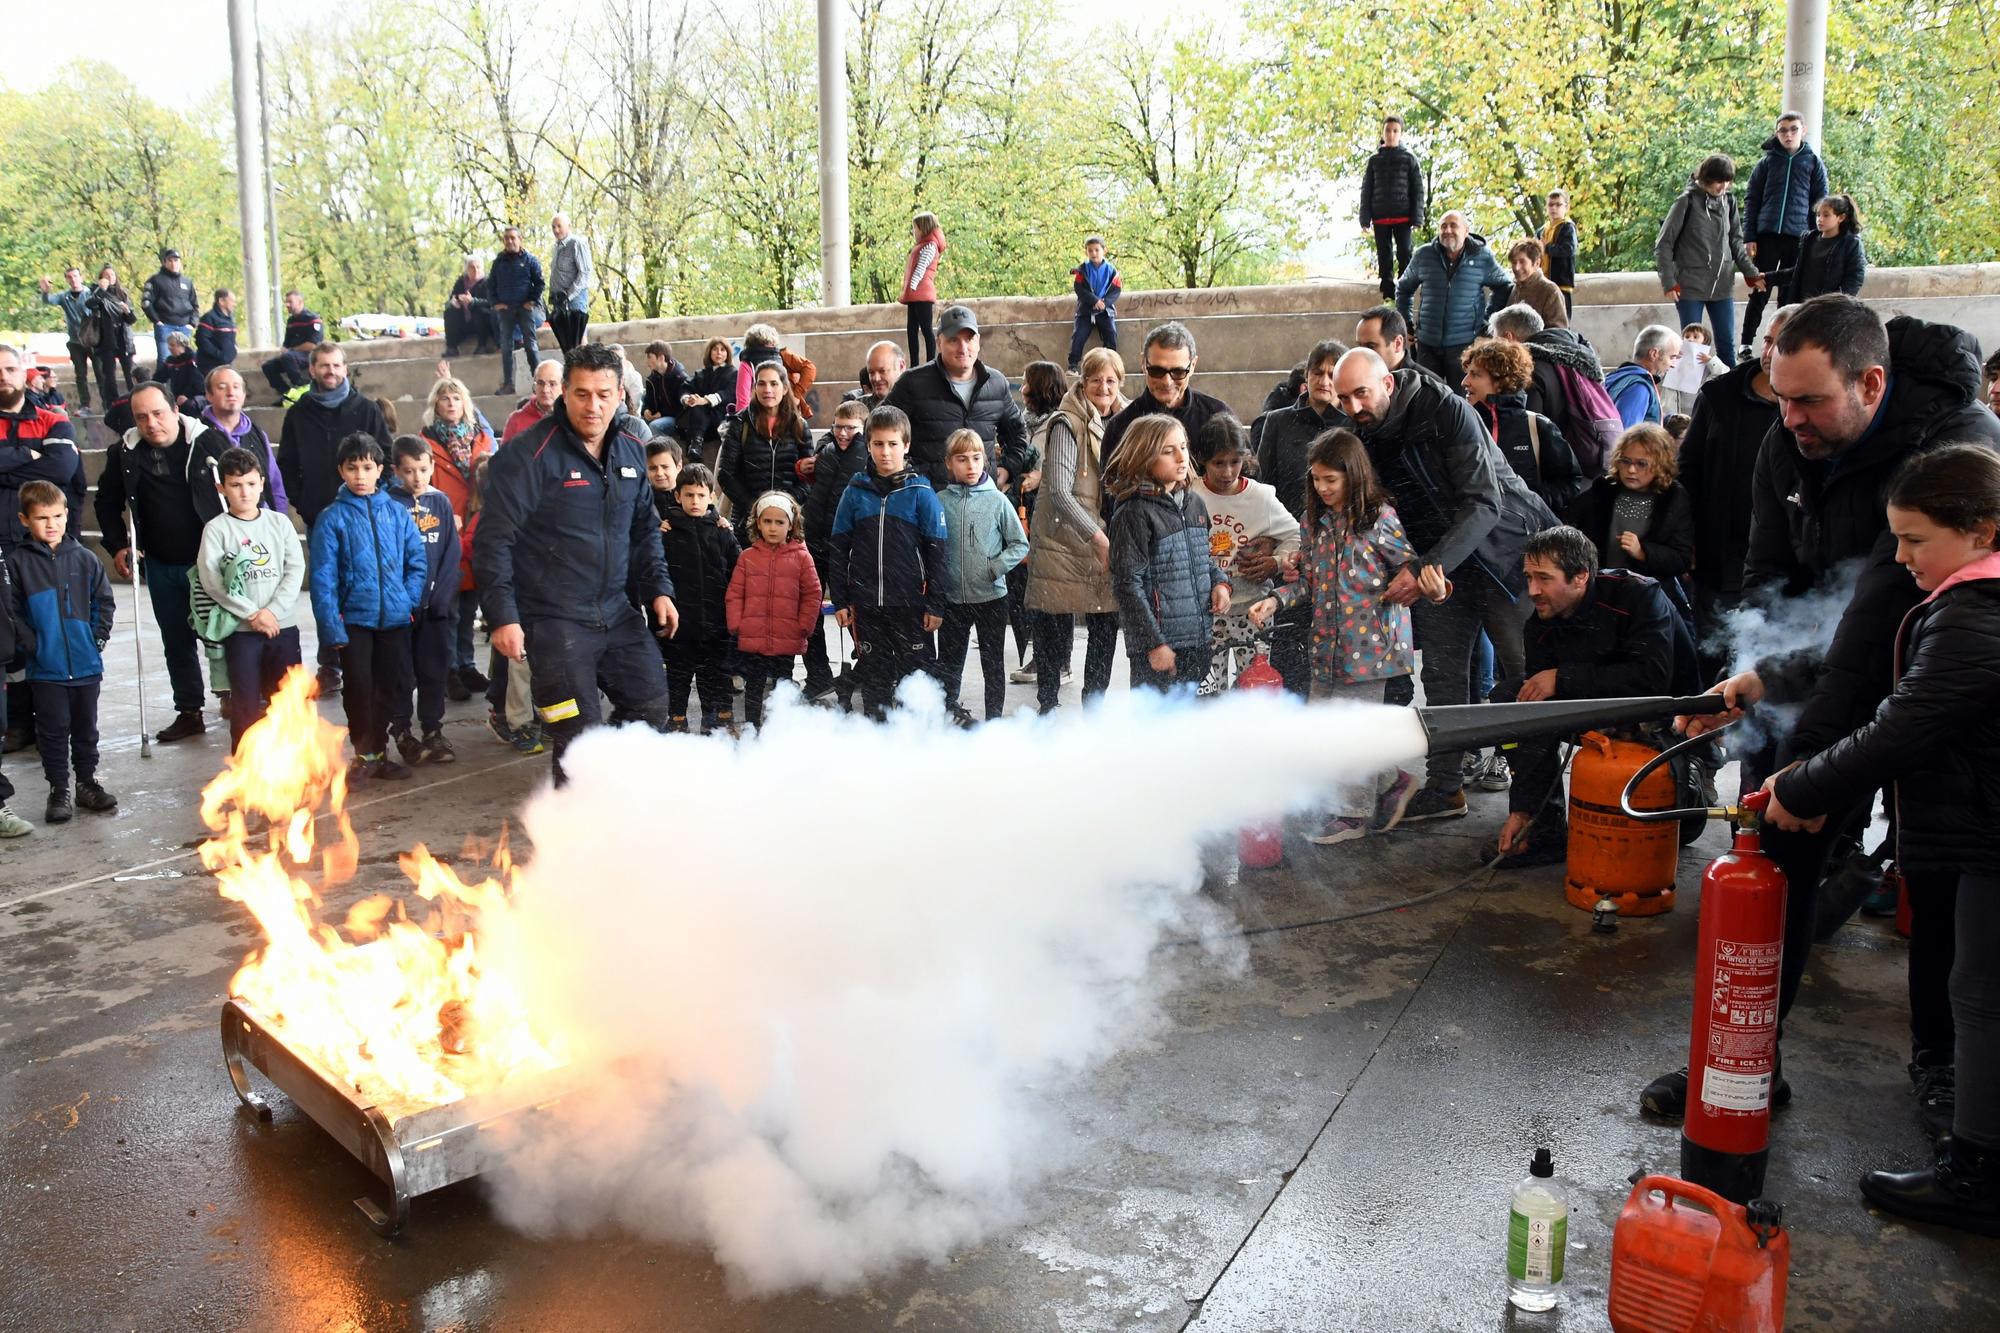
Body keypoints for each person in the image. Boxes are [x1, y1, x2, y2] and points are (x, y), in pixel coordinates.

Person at [1650, 295, 2000, 1122]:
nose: (1791, 419)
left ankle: (1944, 1072)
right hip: (1823, 669)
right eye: (1780, 396)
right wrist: (1743, 686)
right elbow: (1765, 577)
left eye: (1809, 401)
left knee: (1939, 875)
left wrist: (1805, 766)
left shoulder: (1950, 445)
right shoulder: (1788, 441)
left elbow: (1879, 617)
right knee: (1778, 855)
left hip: (1941, 685)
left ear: (1871, 383)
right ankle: (1749, 1059)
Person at [1763, 445, 2000, 1234]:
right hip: (1978, 831)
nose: (1900, 558)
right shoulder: (1965, 601)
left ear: (1982, 529)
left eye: (1916, 539)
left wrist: (1800, 784)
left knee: (1980, 994)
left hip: (1990, 837)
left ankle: (1977, 1175)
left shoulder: (1975, 613)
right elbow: (1863, 665)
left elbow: (1900, 726)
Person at [1333, 346, 1559, 820]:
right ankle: (1446, 788)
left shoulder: (1446, 410)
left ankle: (1540, 808)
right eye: (1343, 400)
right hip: (1441, 566)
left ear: (1388, 384)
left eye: (1361, 394)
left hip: (1506, 556)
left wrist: (1425, 568)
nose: (1354, 408)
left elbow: (1483, 503)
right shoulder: (1363, 430)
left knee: (1522, 682)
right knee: (1441, 677)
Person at [475, 342, 679, 774]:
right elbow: (493, 541)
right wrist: (503, 616)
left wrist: (660, 588)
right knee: (576, 736)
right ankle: (572, 830)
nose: (594, 406)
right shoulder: (528, 455)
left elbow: (644, 527)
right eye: (582, 394)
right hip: (552, 621)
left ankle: (617, 795)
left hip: (615, 610)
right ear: (563, 392)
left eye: (604, 394)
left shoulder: (629, 448)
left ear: (620, 393)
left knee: (652, 705)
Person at [1246, 428, 1424, 843]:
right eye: (1317, 479)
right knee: (1326, 726)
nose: (1323, 488)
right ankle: (1392, 780)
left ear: (1353, 475)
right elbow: (1307, 580)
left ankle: (1352, 816)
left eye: (1332, 479)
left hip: (1371, 649)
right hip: (1326, 644)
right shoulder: (1314, 523)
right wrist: (1274, 600)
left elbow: (1410, 567)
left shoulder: (1379, 517)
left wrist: (1412, 583)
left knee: (1351, 730)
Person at [1490, 525, 1694, 868]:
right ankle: (1543, 826)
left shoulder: (1640, 596)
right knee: (1514, 701)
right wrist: (1522, 808)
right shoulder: (1540, 623)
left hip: (1664, 717)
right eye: (1528, 577)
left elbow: (1653, 679)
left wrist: (1563, 677)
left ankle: (1698, 775)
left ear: (1581, 576)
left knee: (1678, 829)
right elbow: (1533, 725)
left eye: (1543, 578)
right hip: (1593, 707)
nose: (1532, 590)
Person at [97, 382, 237, 743]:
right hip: (160, 562)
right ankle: (189, 710)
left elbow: (240, 486)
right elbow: (106, 503)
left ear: (175, 410)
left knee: (225, 634)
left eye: (158, 413)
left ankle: (236, 697)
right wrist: (117, 546)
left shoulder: (207, 442)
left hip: (210, 561)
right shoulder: (124, 454)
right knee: (175, 639)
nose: (151, 423)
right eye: (141, 417)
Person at [1678, 307, 1793, 680]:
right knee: (1710, 656)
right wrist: (1686, 539)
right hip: (1720, 555)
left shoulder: (1811, 404)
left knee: (1765, 663)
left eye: (1783, 343)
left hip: (1782, 561)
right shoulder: (1719, 395)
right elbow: (1687, 472)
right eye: (1768, 340)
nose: (1770, 351)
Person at [309, 435, 426, 780]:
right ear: (341, 471)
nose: (360, 475)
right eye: (352, 468)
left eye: (367, 467)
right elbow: (323, 578)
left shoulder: (396, 513)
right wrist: (332, 627)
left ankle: (381, 752)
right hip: (355, 621)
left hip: (394, 619)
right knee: (359, 689)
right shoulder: (332, 519)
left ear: (380, 471)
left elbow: (416, 561)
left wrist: (407, 599)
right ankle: (365, 755)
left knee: (388, 688)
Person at [277, 343, 392, 695]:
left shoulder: (367, 410)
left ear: (346, 368)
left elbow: (385, 455)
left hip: (364, 517)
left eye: (336, 365)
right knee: (327, 589)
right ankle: (330, 664)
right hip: (320, 519)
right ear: (312, 370)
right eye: (324, 365)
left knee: (364, 586)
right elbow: (287, 465)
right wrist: (304, 503)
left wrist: (372, 499)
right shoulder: (298, 414)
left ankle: (371, 658)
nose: (331, 371)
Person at [828, 405, 948, 719]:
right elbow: (839, 548)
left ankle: (916, 744)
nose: (885, 452)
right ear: (867, 444)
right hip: (866, 605)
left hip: (911, 606)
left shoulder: (921, 492)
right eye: (878, 444)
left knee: (916, 680)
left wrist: (935, 604)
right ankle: (877, 741)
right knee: (874, 679)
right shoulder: (854, 492)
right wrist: (840, 599)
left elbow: (937, 553)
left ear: (906, 445)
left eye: (893, 444)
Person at [1024, 347, 1127, 713]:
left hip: (1102, 532)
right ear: (1083, 382)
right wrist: (1097, 536)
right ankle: (1048, 706)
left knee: (1104, 624)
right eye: (1096, 379)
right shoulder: (1067, 423)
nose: (1104, 386)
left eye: (1111, 380)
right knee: (1052, 625)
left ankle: (1094, 710)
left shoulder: (1123, 420)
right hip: (1065, 540)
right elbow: (1058, 491)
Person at [7, 480, 116, 823]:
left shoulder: (85, 559)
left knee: (86, 729)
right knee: (52, 732)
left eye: (57, 515)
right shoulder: (17, 564)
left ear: (68, 514)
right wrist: (35, 647)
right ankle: (59, 790)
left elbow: (104, 603)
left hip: (86, 666)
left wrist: (95, 640)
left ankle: (86, 783)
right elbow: (13, 614)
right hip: (46, 669)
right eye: (42, 518)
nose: (51, 524)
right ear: (25, 520)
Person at [1105, 415, 1228, 693]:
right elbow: (1127, 586)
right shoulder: (1133, 512)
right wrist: (1154, 644)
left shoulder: (1194, 502)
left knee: (1194, 726)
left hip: (1197, 640)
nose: (1181, 457)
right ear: (1144, 457)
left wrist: (1220, 582)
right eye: (1167, 451)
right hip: (1159, 649)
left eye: (1183, 447)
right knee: (1157, 730)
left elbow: (1201, 559)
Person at [197, 447, 305, 749]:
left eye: (250, 483)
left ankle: (292, 769)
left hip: (282, 627)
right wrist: (253, 615)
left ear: (261, 483)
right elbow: (213, 581)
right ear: (222, 488)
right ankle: (247, 773)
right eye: (235, 485)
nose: (244, 492)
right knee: (245, 706)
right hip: (243, 633)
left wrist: (272, 611)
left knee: (287, 702)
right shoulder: (216, 529)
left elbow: (295, 569)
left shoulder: (279, 524)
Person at [1194, 415, 1298, 693]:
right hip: (1205, 612)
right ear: (1202, 459)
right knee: (1207, 690)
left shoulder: (1261, 498)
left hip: (1253, 609)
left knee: (1253, 689)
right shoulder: (1191, 495)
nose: (1228, 472)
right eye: (1219, 463)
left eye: (1235, 462)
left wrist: (1274, 562)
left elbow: (1296, 535)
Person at [882, 305, 1031, 491]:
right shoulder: (913, 383)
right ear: (939, 343)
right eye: (953, 340)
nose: (963, 348)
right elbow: (879, 427)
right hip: (929, 501)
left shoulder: (996, 383)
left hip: (981, 499)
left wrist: (1008, 468)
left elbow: (1017, 433)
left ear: (978, 341)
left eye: (969, 339)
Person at [937, 429, 1029, 723]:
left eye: (977, 458)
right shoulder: (939, 501)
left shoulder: (998, 501)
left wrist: (994, 568)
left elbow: (1020, 544)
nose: (971, 465)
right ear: (949, 463)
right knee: (950, 662)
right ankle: (950, 712)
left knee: (992, 663)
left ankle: (994, 720)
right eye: (962, 459)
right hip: (952, 598)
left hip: (991, 597)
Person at [1563, 423, 1695, 621]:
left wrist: (1643, 552)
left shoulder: (1673, 498)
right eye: (1625, 461)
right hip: (1601, 597)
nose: (1631, 470)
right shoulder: (1603, 490)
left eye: (1642, 464)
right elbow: (1569, 525)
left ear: (1660, 464)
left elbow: (1681, 558)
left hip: (1648, 602)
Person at [383, 437, 458, 766]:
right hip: (401, 609)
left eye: (423, 470)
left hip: (435, 607)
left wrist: (441, 596)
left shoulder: (440, 502)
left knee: (433, 670)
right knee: (400, 671)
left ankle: (432, 729)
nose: (417, 477)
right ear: (396, 470)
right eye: (410, 471)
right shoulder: (388, 503)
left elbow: (451, 554)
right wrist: (399, 599)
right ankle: (401, 730)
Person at [420, 377, 495, 700]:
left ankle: (466, 664)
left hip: (479, 531)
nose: (451, 403)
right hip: (445, 533)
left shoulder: (482, 439)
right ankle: (449, 669)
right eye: (444, 398)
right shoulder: (427, 444)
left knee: (469, 608)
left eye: (456, 398)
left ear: (466, 403)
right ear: (435, 405)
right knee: (447, 610)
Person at [1655, 154, 1763, 367]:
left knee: (1726, 344)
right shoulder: (1685, 201)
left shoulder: (1729, 201)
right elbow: (1663, 244)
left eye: (1727, 181)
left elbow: (1735, 241)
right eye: (1719, 181)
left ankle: (1728, 395)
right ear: (1706, 178)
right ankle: (1691, 397)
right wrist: (1669, 281)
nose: (1724, 186)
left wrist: (1751, 273)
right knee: (1692, 346)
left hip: (1722, 283)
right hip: (1690, 284)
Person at [655, 463, 739, 735]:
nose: (695, 501)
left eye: (701, 495)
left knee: (715, 673)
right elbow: (657, 572)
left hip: (717, 620)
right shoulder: (666, 534)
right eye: (689, 495)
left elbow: (738, 568)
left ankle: (713, 718)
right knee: (678, 674)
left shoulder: (721, 531)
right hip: (680, 623)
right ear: (677, 496)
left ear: (712, 496)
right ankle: (677, 719)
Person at [727, 492, 820, 731]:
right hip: (753, 635)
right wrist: (737, 624)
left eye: (780, 522)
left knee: (783, 685)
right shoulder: (747, 558)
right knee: (754, 684)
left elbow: (812, 594)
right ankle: (751, 727)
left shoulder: (802, 557)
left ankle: (781, 728)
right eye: (767, 521)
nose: (773, 527)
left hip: (787, 634)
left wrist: (804, 625)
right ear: (758, 523)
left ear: (791, 525)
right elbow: (735, 593)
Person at [1460, 338, 1586, 514]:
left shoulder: (1538, 426)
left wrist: (1530, 502)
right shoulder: (1462, 424)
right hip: (1474, 531)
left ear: (1501, 380)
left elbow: (1569, 484)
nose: (1465, 382)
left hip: (1526, 534)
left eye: (1475, 374)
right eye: (1467, 373)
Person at [1741, 111, 1830, 356]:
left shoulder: (1813, 163)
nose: (1788, 134)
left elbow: (1820, 202)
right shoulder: (1767, 162)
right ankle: (1746, 343)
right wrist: (1750, 236)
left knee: (1789, 292)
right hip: (1767, 234)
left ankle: (1784, 343)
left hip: (1798, 237)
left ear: (1804, 130)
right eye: (1783, 130)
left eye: (1793, 129)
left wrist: (1816, 238)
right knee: (1760, 287)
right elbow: (1752, 199)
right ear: (1777, 133)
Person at [1395, 211, 1512, 391]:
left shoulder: (1482, 256)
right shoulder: (1424, 255)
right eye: (1443, 226)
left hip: (1464, 345)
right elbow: (1403, 288)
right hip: (1427, 344)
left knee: (1462, 398)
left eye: (1453, 225)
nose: (1447, 230)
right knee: (1425, 395)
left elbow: (1503, 286)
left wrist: (1488, 322)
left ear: (1466, 231)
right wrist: (1406, 323)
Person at [802, 400, 869, 702]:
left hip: (847, 546)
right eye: (838, 427)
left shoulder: (867, 455)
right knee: (810, 610)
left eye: (851, 428)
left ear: (863, 429)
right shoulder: (826, 452)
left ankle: (867, 667)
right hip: (815, 539)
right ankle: (818, 674)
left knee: (854, 611)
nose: (843, 433)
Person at [1102, 321, 1229, 464]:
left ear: (1192, 366)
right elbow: (1109, 484)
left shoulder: (1217, 415)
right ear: (1143, 364)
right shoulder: (1120, 426)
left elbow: (1246, 478)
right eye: (1157, 371)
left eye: (1178, 372)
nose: (1167, 381)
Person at [1254, 338, 1351, 519]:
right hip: (1287, 524)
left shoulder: (1354, 425)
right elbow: (1264, 482)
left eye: (1332, 375)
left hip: (1342, 527)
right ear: (1306, 374)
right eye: (1317, 372)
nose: (1324, 381)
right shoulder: (1277, 420)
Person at [717, 359, 812, 539]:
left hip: (787, 519)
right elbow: (726, 474)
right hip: (748, 519)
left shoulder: (799, 425)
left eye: (774, 383)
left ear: (784, 389)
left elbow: (809, 476)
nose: (767, 389)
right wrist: (755, 505)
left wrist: (785, 503)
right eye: (761, 383)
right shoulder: (739, 423)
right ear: (755, 388)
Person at [1359, 115, 1426, 301]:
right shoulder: (1374, 160)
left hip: (1403, 216)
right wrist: (1364, 219)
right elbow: (1366, 189)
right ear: (1383, 132)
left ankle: (1404, 287)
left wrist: (1417, 217)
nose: (1391, 134)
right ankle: (1387, 290)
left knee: (1405, 251)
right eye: (1388, 130)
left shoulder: (1409, 159)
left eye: (1395, 130)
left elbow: (1418, 190)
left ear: (1401, 133)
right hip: (1380, 216)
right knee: (1384, 253)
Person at [1768, 193, 1867, 306]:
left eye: (1826, 215)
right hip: (1802, 306)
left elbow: (1855, 278)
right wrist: (1768, 278)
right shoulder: (1809, 239)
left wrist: (1836, 303)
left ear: (1841, 217)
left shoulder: (1851, 243)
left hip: (1830, 308)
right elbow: (1798, 272)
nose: (1820, 219)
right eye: (1818, 215)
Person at [489, 226, 546, 395]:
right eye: (506, 238)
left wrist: (532, 301)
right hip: (506, 310)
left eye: (513, 238)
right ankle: (508, 384)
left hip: (525, 309)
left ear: (520, 239)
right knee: (506, 347)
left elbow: (540, 283)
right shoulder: (498, 262)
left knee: (531, 346)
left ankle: (539, 384)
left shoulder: (530, 260)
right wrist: (496, 303)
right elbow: (491, 285)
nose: (510, 241)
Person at [1604, 325, 1681, 428]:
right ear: (1654, 354)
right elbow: (1627, 437)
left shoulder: (1616, 377)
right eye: (1672, 357)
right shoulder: (1638, 388)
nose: (1673, 364)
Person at [38, 270, 95, 409]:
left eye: (75, 276)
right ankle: (85, 405)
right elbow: (48, 300)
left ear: (81, 277)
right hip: (75, 341)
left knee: (101, 373)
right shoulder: (65, 297)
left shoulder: (91, 294)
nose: (73, 279)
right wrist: (45, 291)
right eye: (69, 277)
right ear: (67, 280)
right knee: (80, 376)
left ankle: (108, 403)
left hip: (93, 340)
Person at [83, 266, 138, 406]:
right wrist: (100, 290)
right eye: (106, 275)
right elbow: (89, 304)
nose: (109, 277)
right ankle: (112, 404)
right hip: (106, 338)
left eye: (112, 275)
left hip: (123, 337)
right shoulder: (96, 292)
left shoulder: (122, 294)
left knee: (130, 372)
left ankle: (136, 400)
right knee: (109, 375)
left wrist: (127, 312)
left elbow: (131, 320)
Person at [675, 337, 737, 456]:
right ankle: (695, 444)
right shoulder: (701, 373)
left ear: (728, 353)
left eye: (723, 349)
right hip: (699, 417)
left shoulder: (734, 373)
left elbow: (728, 393)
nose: (719, 352)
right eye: (715, 349)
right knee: (696, 407)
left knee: (699, 407)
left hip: (720, 416)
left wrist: (705, 400)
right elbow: (685, 387)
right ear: (709, 352)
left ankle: (696, 443)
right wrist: (688, 399)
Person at [1068, 236, 1121, 370]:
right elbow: (1079, 289)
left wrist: (1105, 302)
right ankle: (1073, 366)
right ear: (1086, 252)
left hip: (1105, 310)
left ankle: (1111, 366)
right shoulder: (1082, 270)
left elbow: (1116, 290)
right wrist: (1094, 300)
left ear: (1104, 250)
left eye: (1097, 250)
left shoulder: (1112, 271)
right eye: (1090, 251)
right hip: (1086, 310)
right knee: (1078, 336)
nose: (1094, 253)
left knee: (1111, 335)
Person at [261, 291, 324, 400]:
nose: (287, 305)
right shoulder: (291, 321)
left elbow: (314, 345)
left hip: (308, 355)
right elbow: (287, 343)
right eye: (286, 302)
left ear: (300, 302)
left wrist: (291, 350)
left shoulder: (313, 319)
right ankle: (288, 394)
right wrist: (285, 349)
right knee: (268, 366)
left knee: (287, 356)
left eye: (290, 302)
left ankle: (303, 386)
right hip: (291, 356)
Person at [142, 248, 199, 369]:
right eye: (170, 260)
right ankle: (162, 387)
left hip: (184, 327)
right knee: (165, 360)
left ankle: (183, 387)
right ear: (164, 262)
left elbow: (194, 305)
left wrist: (192, 323)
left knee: (186, 361)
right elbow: (146, 303)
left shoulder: (187, 282)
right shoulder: (155, 280)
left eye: (176, 260)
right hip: (165, 326)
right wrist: (157, 321)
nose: (173, 263)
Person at [901, 212, 945, 364]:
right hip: (914, 295)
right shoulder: (921, 246)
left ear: (923, 228)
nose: (914, 232)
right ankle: (914, 363)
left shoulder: (930, 246)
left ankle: (931, 361)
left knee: (926, 329)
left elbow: (921, 267)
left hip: (921, 293)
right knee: (911, 330)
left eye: (915, 228)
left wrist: (912, 285)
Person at [547, 214, 594, 352]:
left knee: (579, 338)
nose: (556, 230)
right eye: (553, 227)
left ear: (569, 226)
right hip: (559, 300)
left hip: (575, 298)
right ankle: (571, 370)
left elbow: (584, 273)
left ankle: (584, 369)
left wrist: (568, 296)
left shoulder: (577, 243)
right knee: (565, 340)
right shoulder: (556, 247)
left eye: (559, 226)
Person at [1353, 305, 1437, 382]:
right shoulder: (1358, 379)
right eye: (1360, 346)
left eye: (1371, 347)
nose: (1362, 354)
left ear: (1397, 344)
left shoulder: (1430, 389)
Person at [1664, 322, 1726, 418]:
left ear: (1705, 341)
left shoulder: (1707, 362)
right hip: (1675, 409)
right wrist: (1671, 357)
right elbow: (1662, 373)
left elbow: (1724, 373)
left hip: (1697, 409)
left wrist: (1711, 361)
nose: (1690, 339)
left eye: (1695, 337)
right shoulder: (1675, 357)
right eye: (1687, 336)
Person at [1505, 239, 1568, 330]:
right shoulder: (1516, 287)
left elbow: (1558, 332)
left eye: (1522, 262)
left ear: (1537, 263)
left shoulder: (1550, 290)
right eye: (1514, 262)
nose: (1516, 268)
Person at [1539, 190, 1579, 317]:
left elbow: (1569, 249)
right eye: (1550, 205)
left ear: (1566, 207)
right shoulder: (1542, 230)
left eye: (1558, 205)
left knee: (1561, 317)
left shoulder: (1567, 227)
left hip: (1561, 282)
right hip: (1543, 281)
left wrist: (1547, 248)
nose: (1554, 208)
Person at [443, 257, 494, 357]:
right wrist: (454, 302)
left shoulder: (488, 282)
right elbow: (452, 298)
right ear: (467, 269)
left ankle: (482, 345)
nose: (476, 270)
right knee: (449, 311)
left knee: (477, 309)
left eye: (478, 267)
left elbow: (491, 302)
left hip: (483, 322)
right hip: (464, 321)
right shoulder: (460, 282)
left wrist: (473, 301)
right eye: (472, 268)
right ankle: (451, 347)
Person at [640, 341, 692, 438]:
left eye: (649, 357)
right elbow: (648, 399)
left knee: (655, 426)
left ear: (661, 358)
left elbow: (683, 408)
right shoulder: (652, 379)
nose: (647, 362)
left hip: (676, 418)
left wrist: (662, 413)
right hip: (657, 415)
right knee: (638, 423)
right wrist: (646, 410)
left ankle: (653, 452)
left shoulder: (680, 378)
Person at [503, 361, 564, 442]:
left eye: (552, 384)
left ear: (564, 387)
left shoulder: (574, 418)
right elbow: (506, 454)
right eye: (540, 383)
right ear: (534, 387)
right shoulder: (516, 420)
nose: (545, 390)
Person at [843, 340, 905, 411]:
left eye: (882, 371)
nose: (876, 378)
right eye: (871, 372)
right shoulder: (861, 407)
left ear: (901, 366)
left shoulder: (917, 404)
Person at [195, 289, 237, 374]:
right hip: (210, 366)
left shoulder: (230, 319)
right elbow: (202, 340)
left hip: (227, 364)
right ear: (221, 301)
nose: (234, 304)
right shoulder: (209, 318)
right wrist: (219, 355)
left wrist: (234, 349)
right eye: (231, 301)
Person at [159, 331, 204, 407]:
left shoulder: (192, 358)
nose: (169, 348)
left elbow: (197, 383)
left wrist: (186, 395)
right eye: (169, 345)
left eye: (172, 345)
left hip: (193, 398)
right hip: (176, 398)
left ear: (181, 345)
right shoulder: (170, 361)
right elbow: (159, 377)